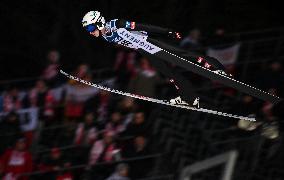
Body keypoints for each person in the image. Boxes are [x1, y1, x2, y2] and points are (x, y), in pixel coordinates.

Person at [81, 11, 228, 107]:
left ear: (98, 22)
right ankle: (190, 98)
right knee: (168, 73)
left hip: (149, 42)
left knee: (183, 56)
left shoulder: (116, 24)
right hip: (143, 50)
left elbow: (142, 26)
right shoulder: (106, 36)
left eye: (90, 28)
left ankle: (218, 69)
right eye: (88, 30)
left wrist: (166, 31)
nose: (90, 32)